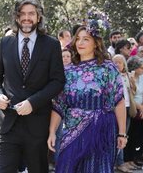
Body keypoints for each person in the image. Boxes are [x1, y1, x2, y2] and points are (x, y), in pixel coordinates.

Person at [0, 0, 65, 173]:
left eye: (31, 13)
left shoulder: (52, 45)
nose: (26, 18)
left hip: (37, 125)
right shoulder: (6, 42)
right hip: (7, 123)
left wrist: (33, 102)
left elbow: (58, 81)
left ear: (38, 17)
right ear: (17, 17)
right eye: (22, 14)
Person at [47, 25, 127, 173]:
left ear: (96, 43)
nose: (80, 43)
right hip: (71, 129)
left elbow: (119, 101)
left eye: (86, 39)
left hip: (101, 130)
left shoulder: (108, 68)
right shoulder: (67, 71)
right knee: (66, 167)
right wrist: (52, 131)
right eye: (77, 39)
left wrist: (122, 133)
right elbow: (59, 105)